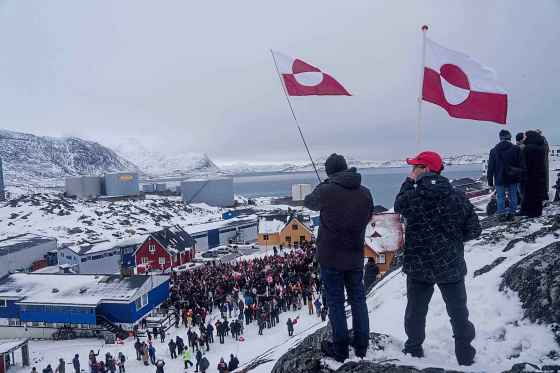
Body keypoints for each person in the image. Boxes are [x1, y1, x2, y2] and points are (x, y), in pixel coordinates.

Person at [394, 151, 481, 366]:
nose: (412, 170)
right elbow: (474, 230)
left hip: (418, 265)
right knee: (458, 312)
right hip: (450, 265)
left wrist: (409, 181)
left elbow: (398, 206)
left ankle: (413, 350)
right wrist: (452, 241)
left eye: (416, 167)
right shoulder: (458, 197)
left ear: (426, 169)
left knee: (416, 311)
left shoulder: (412, 197)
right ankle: (465, 355)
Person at [304, 153, 374, 362]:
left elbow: (309, 202)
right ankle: (361, 345)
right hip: (354, 254)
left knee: (335, 302)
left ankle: (341, 348)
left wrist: (326, 184)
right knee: (358, 299)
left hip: (330, 256)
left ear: (329, 172)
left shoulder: (326, 190)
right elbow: (369, 215)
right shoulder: (365, 192)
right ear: (346, 168)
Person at [487, 129, 523, 219]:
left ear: (500, 138)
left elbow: (490, 168)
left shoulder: (493, 151)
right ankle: (512, 213)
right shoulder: (516, 148)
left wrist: (490, 183)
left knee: (500, 197)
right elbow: (521, 165)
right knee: (513, 196)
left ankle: (501, 215)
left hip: (499, 178)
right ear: (509, 137)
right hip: (513, 177)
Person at [520, 130, 548, 217]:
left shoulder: (528, 149)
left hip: (530, 175)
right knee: (536, 195)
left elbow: (524, 164)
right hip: (539, 175)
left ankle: (529, 212)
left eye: (525, 136)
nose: (524, 138)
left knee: (529, 194)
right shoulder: (540, 148)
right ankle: (535, 212)